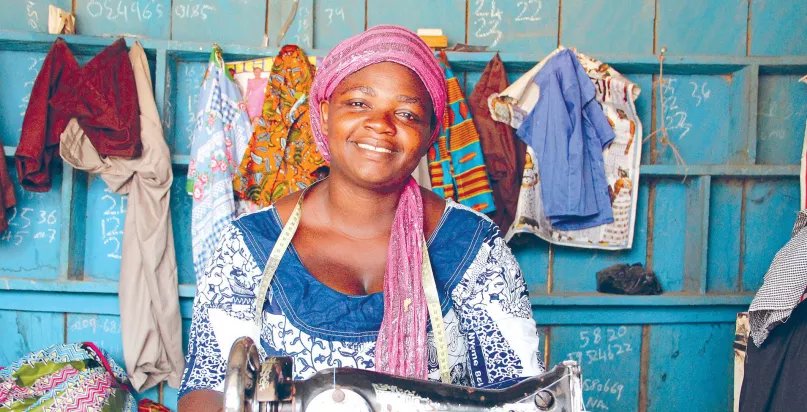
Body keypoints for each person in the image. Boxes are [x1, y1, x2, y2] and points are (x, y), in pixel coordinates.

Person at [177, 25, 544, 411]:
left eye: (407, 113)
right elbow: (207, 386)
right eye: (358, 104)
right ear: (323, 112)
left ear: (430, 133)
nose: (381, 125)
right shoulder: (249, 246)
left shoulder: (474, 248)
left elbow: (521, 393)